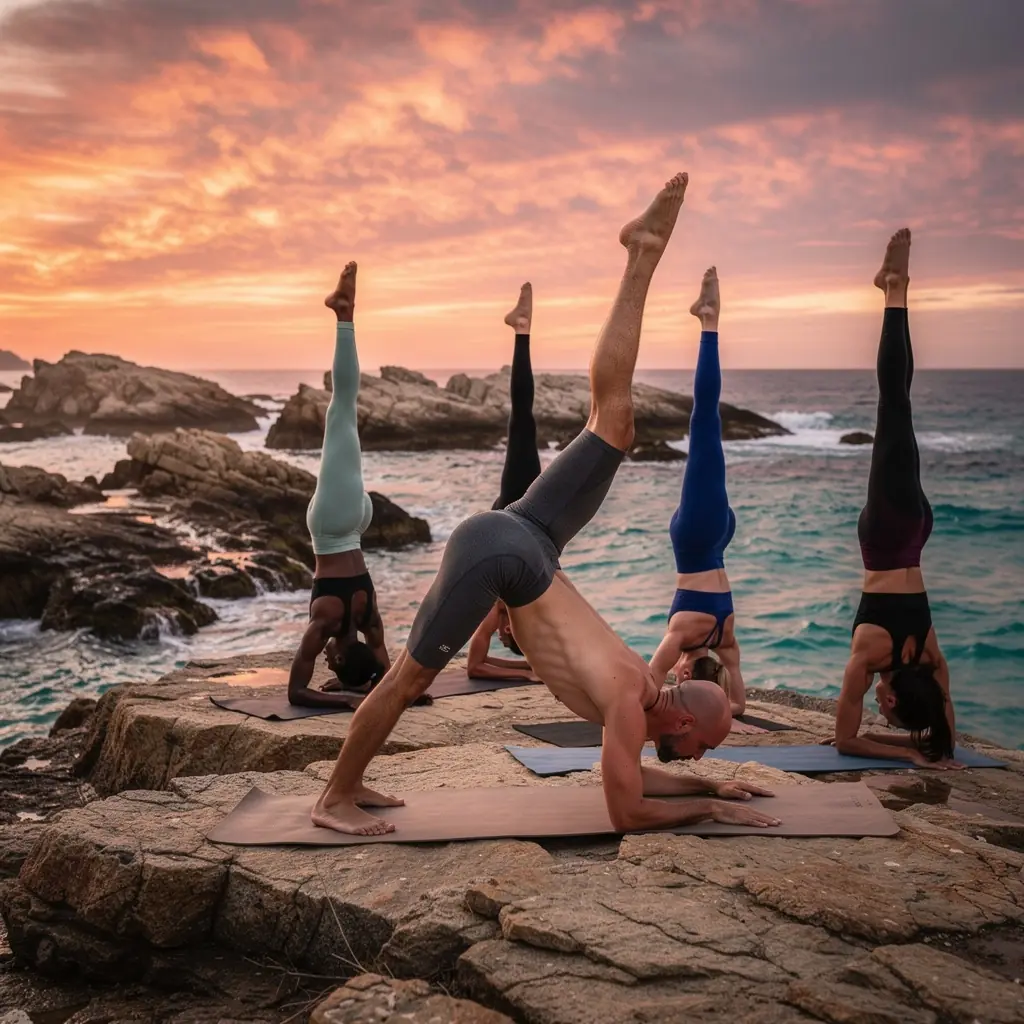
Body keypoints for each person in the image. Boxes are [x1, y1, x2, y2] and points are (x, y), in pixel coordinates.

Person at [309, 173, 782, 835]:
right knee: (406, 681)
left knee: (614, 423)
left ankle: (642, 252)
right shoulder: (626, 699)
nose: (702, 754)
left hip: (533, 541)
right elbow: (625, 811)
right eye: (704, 746)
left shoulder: (641, 697)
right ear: (679, 719)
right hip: (505, 556)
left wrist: (708, 786)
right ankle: (334, 795)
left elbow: (633, 775)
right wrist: (707, 805)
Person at [834, 229, 959, 767]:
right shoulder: (869, 657)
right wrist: (907, 756)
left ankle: (895, 289)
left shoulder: (928, 655)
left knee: (900, 406)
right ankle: (895, 289)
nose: (876, 714)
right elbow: (845, 740)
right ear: (887, 696)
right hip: (888, 533)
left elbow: (943, 721)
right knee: (893, 404)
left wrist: (924, 747)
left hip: (915, 532)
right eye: (885, 712)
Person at [287, 263, 390, 708]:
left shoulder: (368, 619)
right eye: (334, 663)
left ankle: (345, 314)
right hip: (333, 526)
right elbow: (296, 691)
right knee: (341, 408)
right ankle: (344, 315)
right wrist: (349, 699)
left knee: (344, 414)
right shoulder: (324, 622)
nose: (324, 660)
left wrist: (359, 687)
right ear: (342, 653)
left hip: (355, 524)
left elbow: (386, 673)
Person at [648, 268, 745, 717]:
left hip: (719, 537)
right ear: (687, 677)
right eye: (681, 678)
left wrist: (726, 707)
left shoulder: (726, 643)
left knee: (709, 428)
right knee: (705, 421)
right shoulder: (684, 633)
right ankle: (710, 320)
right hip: (699, 538)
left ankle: (709, 320)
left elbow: (739, 704)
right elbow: (650, 684)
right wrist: (673, 696)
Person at [466, 282, 542, 682]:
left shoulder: (494, 606)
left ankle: (523, 332)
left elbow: (474, 666)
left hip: (519, 511)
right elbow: (479, 666)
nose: (499, 630)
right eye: (505, 634)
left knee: (523, 422)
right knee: (522, 421)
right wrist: (527, 669)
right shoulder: (516, 603)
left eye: (500, 634)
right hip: (524, 510)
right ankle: (522, 330)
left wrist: (524, 671)